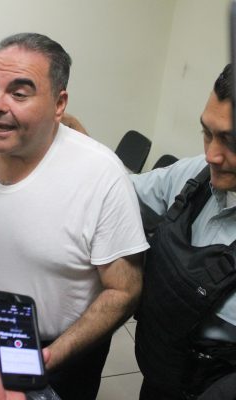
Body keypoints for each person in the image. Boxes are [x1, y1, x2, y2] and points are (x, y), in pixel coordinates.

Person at [0, 32, 148, 400]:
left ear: (59, 103)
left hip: (66, 354)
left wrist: (51, 356)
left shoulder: (102, 175)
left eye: (19, 93)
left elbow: (123, 290)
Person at [131, 64, 236, 399]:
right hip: (160, 374)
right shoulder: (194, 175)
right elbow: (122, 194)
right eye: (207, 133)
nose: (211, 155)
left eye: (230, 141)